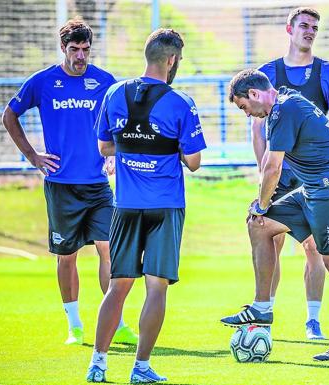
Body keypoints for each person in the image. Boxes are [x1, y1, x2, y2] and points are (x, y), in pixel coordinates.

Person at [1, 17, 137, 346]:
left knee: (109, 250)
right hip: (61, 186)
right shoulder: (43, 81)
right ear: (63, 48)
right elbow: (9, 115)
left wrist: (113, 154)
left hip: (98, 187)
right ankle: (74, 324)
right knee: (67, 256)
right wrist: (33, 157)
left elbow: (122, 123)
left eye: (85, 49)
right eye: (74, 49)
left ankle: (115, 322)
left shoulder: (105, 82)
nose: (80, 55)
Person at [85, 28, 205, 383]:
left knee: (118, 285)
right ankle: (141, 367)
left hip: (126, 205)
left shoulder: (114, 92)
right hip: (165, 206)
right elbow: (194, 161)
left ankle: (98, 363)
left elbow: (104, 147)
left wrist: (132, 146)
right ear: (171, 60)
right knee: (156, 287)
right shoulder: (180, 101)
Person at [222, 69, 329, 361]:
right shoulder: (283, 104)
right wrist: (260, 206)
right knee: (259, 225)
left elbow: (272, 169)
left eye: (244, 107)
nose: (247, 115)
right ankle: (261, 306)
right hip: (313, 191)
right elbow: (279, 170)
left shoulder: (284, 109)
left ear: (254, 94)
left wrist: (262, 202)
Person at [250, 6, 329, 340]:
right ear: (289, 29)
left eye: (315, 27)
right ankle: (264, 314)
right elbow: (257, 130)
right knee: (268, 234)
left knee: (315, 247)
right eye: (304, 25)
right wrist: (265, 173)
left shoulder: (328, 73)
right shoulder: (267, 73)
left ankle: (313, 320)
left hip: (316, 176)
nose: (310, 31)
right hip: (278, 171)